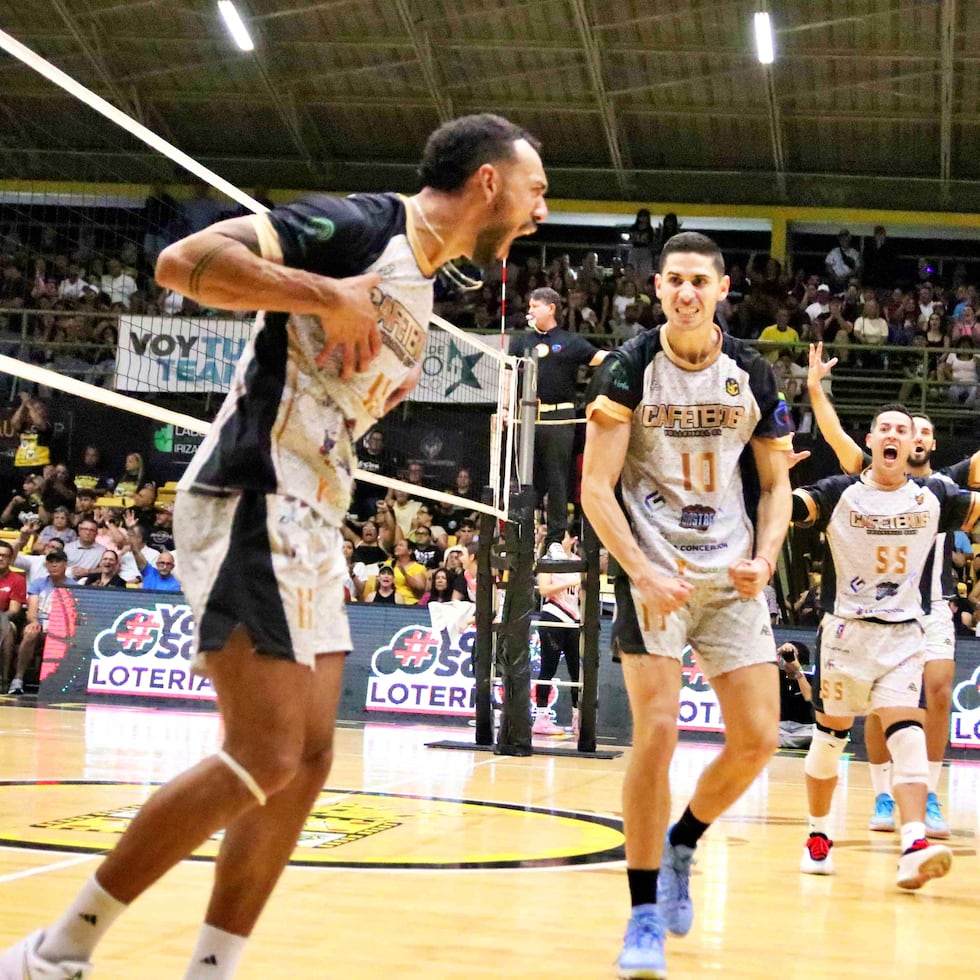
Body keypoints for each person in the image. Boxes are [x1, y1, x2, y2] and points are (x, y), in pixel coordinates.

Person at [0, 113, 548, 978]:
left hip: (315, 516)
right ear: (489, 182)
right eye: (537, 188)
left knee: (309, 762)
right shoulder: (362, 226)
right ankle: (53, 953)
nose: (541, 209)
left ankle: (211, 967)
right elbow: (181, 264)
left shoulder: (430, 292)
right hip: (254, 491)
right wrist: (323, 294)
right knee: (264, 753)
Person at [581, 231, 793, 979]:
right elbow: (595, 488)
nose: (686, 292)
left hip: (731, 570)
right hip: (656, 571)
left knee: (759, 739)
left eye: (699, 280)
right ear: (659, 288)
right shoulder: (629, 366)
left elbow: (775, 485)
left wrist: (765, 557)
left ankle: (684, 841)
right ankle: (641, 916)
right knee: (659, 731)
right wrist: (639, 570)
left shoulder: (753, 371)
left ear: (723, 288)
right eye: (674, 280)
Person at [791, 403, 980, 889]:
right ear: (872, 443)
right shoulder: (839, 493)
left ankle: (914, 842)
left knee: (908, 729)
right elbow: (789, 508)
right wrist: (771, 472)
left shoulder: (934, 495)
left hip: (904, 632)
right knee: (831, 739)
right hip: (845, 633)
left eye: (904, 429)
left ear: (914, 442)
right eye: (886, 429)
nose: (896, 435)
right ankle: (818, 832)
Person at [508, 286, 606, 558]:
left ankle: (554, 541)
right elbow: (508, 377)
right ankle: (522, 539)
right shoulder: (520, 342)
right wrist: (505, 410)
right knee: (525, 481)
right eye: (528, 307)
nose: (529, 311)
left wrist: (629, 357)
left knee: (557, 480)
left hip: (560, 418)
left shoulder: (570, 341)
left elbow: (601, 358)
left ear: (550, 308)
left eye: (534, 306)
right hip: (527, 417)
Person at [531, 525, 583, 737]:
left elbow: (582, 593)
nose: (559, 542)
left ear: (573, 539)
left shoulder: (579, 563)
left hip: (574, 618)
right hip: (553, 615)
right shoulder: (548, 561)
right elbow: (544, 590)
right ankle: (541, 717)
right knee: (548, 668)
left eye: (563, 537)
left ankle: (578, 716)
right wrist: (569, 582)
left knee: (576, 671)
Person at [6, 550, 77, 695]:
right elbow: (32, 611)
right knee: (30, 632)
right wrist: (34, 621)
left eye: (58, 561)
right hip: (40, 623)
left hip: (61, 625)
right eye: (51, 562)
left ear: (65, 565)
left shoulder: (73, 586)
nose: (54, 565)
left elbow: (72, 613)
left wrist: (57, 626)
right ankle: (18, 679)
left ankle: (59, 682)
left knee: (66, 636)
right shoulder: (38, 583)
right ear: (46, 565)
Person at [776, 641, 814, 748]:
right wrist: (778, 652)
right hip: (779, 727)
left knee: (818, 734)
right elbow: (761, 670)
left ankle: (782, 741)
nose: (788, 661)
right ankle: (788, 741)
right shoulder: (776, 675)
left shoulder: (809, 679)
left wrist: (798, 671)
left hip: (805, 729)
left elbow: (808, 696)